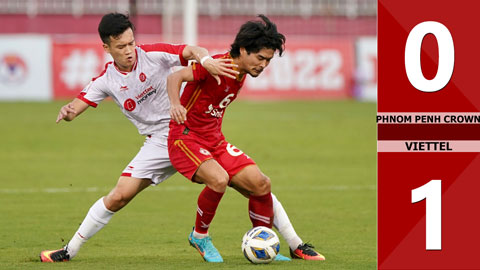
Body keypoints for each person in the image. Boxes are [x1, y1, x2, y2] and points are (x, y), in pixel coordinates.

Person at [40, 12, 322, 263]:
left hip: (197, 133)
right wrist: (69, 111)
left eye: (131, 42)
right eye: (121, 46)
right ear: (107, 48)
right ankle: (69, 250)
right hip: (167, 140)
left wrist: (206, 60)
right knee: (119, 197)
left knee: (258, 184)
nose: (129, 50)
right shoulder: (106, 81)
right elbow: (79, 103)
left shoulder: (154, 54)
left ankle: (293, 244)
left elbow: (192, 50)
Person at [167, 14, 325, 263]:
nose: (263, 65)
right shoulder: (218, 65)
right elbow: (174, 77)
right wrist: (175, 105)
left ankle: (265, 243)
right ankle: (199, 235)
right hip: (185, 138)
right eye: (259, 58)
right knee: (219, 179)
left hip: (214, 141)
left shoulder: (241, 73)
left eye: (268, 60)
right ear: (242, 50)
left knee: (261, 183)